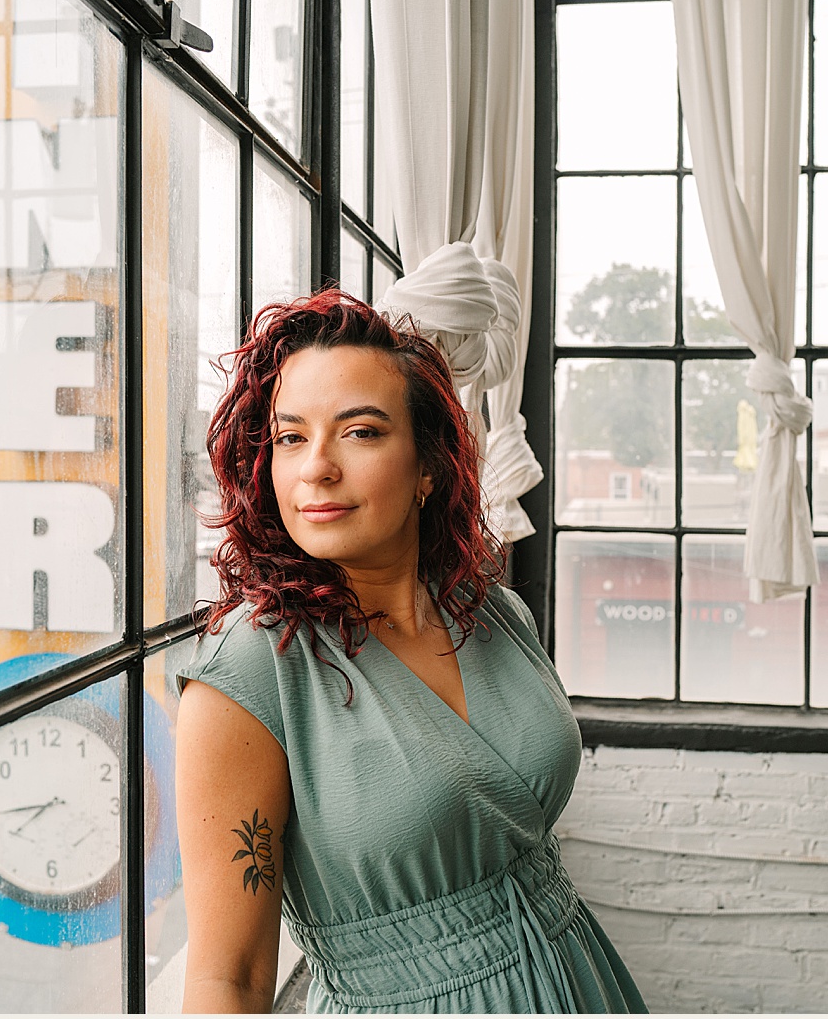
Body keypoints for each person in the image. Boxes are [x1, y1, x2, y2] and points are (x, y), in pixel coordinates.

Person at [175, 290, 647, 1014]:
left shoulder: (492, 609)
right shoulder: (250, 670)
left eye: (358, 432)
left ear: (428, 466)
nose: (317, 469)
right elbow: (227, 980)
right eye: (291, 437)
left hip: (581, 980)